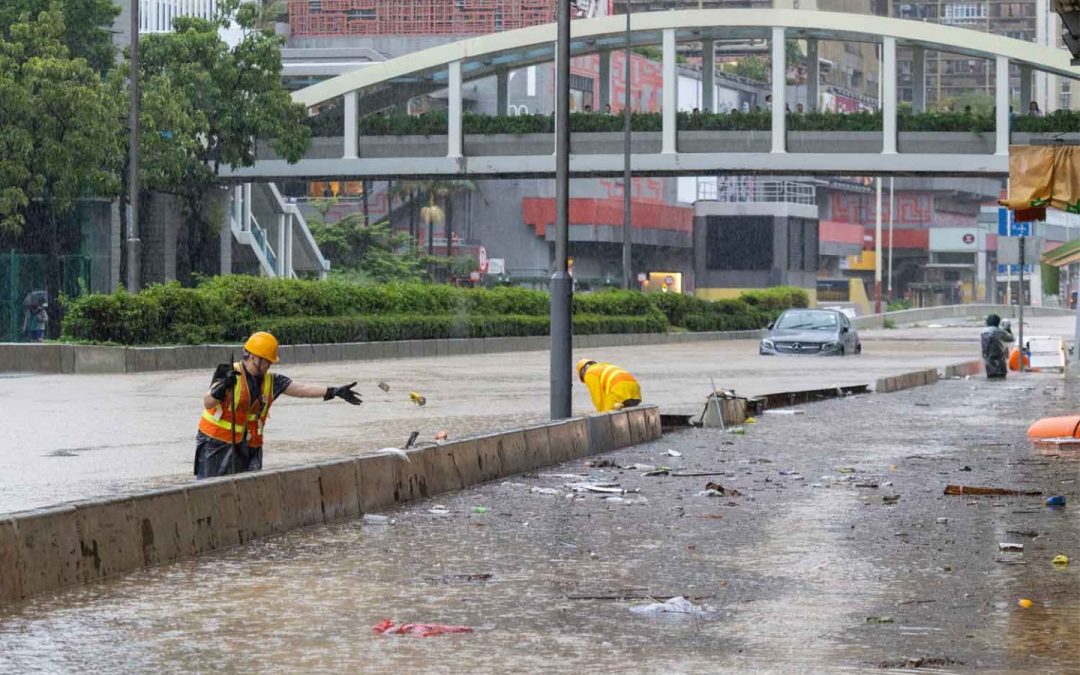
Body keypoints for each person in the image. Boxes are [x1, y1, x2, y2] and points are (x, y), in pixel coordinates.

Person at [195, 331, 363, 478]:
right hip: (214, 443)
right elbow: (208, 402)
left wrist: (333, 391)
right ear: (254, 356)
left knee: (248, 491)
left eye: (270, 361)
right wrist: (223, 387)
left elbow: (301, 389)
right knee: (212, 489)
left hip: (248, 446)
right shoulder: (227, 372)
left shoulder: (272, 381)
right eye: (266, 361)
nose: (269, 365)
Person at [577, 358, 642, 413]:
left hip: (619, 389)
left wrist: (600, 415)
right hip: (635, 389)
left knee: (609, 413)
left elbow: (598, 398)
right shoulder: (604, 366)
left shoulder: (590, 373)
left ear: (582, 372)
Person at [981, 314, 1014, 379]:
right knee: (1000, 375)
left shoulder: (983, 332)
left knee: (990, 375)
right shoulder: (999, 331)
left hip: (987, 356)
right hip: (998, 357)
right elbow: (1010, 338)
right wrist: (1008, 329)